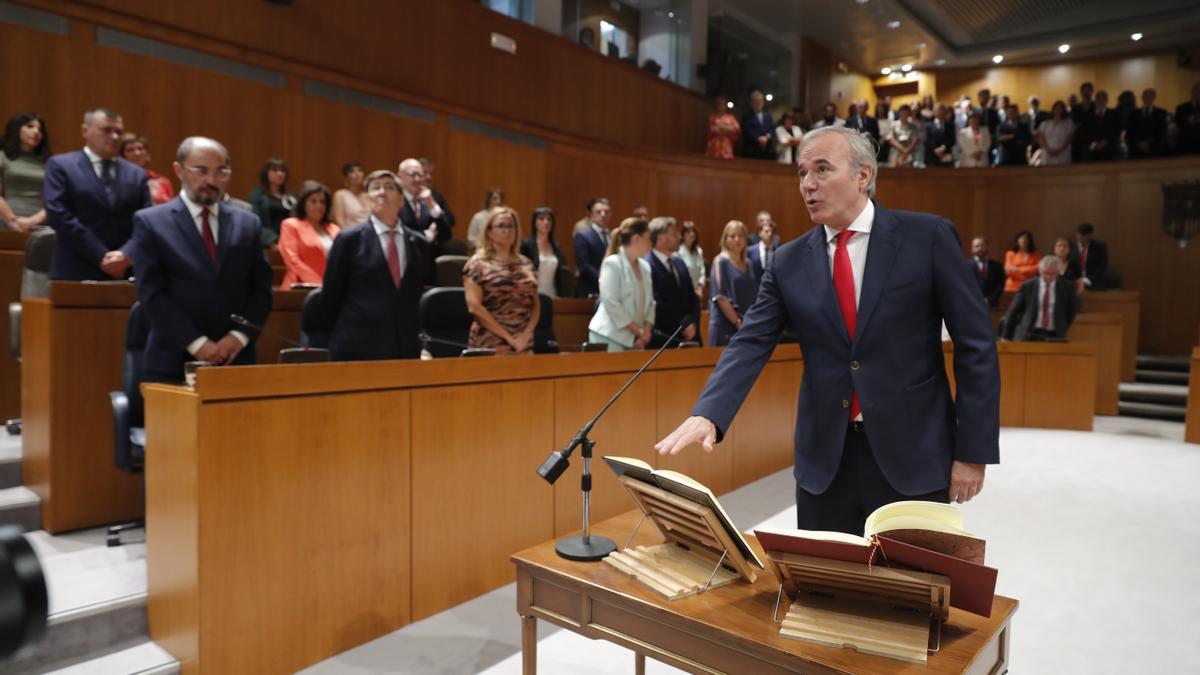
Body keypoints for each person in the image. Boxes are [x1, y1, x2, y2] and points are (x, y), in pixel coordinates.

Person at [655, 126, 999, 535]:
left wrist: (972, 451)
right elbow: (750, 342)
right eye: (802, 173)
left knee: (910, 591)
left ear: (863, 175)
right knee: (825, 590)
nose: (808, 185)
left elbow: (975, 345)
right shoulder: (788, 261)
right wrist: (709, 413)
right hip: (825, 462)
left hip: (913, 453)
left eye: (822, 169)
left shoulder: (928, 237)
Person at [130, 136, 273, 382]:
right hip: (172, 362)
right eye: (201, 171)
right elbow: (152, 294)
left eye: (221, 172)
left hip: (236, 360)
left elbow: (260, 290)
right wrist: (198, 344)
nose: (212, 181)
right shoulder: (151, 222)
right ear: (179, 170)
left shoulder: (247, 222)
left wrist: (238, 337)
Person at [320, 170, 435, 361]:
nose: (382, 192)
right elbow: (331, 296)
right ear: (367, 199)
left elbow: (417, 294)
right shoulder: (349, 239)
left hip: (405, 349)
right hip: (357, 347)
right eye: (375, 188)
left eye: (389, 187)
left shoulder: (419, 243)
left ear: (401, 199)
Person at [43, 107, 150, 281]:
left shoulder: (136, 174)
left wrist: (126, 254)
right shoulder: (61, 166)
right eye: (107, 130)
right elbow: (58, 214)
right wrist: (102, 256)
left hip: (125, 272)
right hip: (75, 269)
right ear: (85, 130)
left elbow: (146, 221)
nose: (115, 137)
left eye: (118, 132)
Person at [463, 206, 540, 354]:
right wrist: (509, 338)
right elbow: (474, 307)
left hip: (524, 343)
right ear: (489, 232)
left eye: (511, 226)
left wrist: (527, 333)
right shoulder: (477, 264)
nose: (507, 230)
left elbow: (535, 304)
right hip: (490, 343)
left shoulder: (526, 263)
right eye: (501, 226)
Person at [587, 217, 655, 351]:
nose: (651, 243)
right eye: (648, 238)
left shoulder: (645, 267)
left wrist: (646, 331)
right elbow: (611, 302)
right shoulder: (612, 263)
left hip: (636, 339)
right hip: (609, 336)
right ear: (636, 238)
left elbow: (651, 303)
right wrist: (639, 331)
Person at [645, 217, 699, 348]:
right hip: (663, 338)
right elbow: (656, 303)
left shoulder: (679, 263)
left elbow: (692, 298)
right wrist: (681, 326)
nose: (679, 237)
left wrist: (693, 323)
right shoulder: (646, 265)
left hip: (690, 336)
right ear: (660, 238)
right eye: (674, 234)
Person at [278, 180, 341, 287]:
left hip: (331, 287)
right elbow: (293, 260)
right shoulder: (291, 225)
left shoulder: (334, 229)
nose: (319, 205)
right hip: (300, 286)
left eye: (322, 202)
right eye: (313, 201)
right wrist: (317, 284)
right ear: (303, 204)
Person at [1000, 256, 1078, 342]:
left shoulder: (1068, 287)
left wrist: (1061, 325)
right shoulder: (1028, 286)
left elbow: (1071, 311)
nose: (1048, 277)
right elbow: (1013, 311)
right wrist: (1005, 336)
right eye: (1045, 273)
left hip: (1055, 335)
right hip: (1029, 333)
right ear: (1040, 271)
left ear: (1058, 272)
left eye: (1052, 274)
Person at [706, 220, 758, 347]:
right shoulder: (720, 262)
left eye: (741, 236)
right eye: (732, 236)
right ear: (725, 240)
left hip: (746, 325)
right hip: (726, 326)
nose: (737, 239)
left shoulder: (749, 264)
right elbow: (720, 297)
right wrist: (738, 323)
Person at [0, 112, 51, 232]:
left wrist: (33, 220)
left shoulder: (49, 162)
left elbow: (55, 199)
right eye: (30, 126)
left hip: (41, 223)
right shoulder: (2, 156)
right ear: (16, 129)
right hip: (8, 222)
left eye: (40, 129)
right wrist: (12, 220)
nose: (36, 132)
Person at [397, 158, 452, 252]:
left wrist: (432, 205)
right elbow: (396, 231)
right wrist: (425, 235)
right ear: (400, 175)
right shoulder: (395, 200)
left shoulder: (428, 199)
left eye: (420, 175)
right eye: (413, 174)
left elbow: (446, 235)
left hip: (427, 260)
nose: (418, 179)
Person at [246, 158, 293, 246]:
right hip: (269, 243)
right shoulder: (257, 195)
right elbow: (255, 222)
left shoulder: (291, 197)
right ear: (266, 174)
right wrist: (273, 240)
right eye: (275, 170)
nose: (280, 174)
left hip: (290, 242)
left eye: (283, 171)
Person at [119, 134, 174, 205]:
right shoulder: (117, 181)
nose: (137, 153)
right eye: (130, 150)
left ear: (147, 155)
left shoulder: (163, 181)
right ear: (122, 157)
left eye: (140, 149)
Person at [572, 197, 612, 297]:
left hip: (610, 290)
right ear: (591, 215)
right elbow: (584, 265)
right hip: (589, 289)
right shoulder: (583, 236)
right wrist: (603, 279)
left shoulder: (613, 236)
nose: (603, 215)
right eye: (599, 212)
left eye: (606, 212)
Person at [1126, 88, 1167, 159]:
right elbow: (1130, 131)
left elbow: (1162, 131)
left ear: (1154, 97)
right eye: (1146, 96)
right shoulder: (1134, 113)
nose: (1148, 98)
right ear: (1142, 97)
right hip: (1136, 150)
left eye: (1150, 96)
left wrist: (1148, 143)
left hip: (1154, 149)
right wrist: (1139, 143)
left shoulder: (1161, 113)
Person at [1081, 91, 1121, 162]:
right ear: (1095, 100)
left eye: (1103, 99)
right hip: (1091, 149)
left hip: (1109, 149)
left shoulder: (1114, 113)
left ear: (1107, 100)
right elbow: (1084, 132)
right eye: (1098, 99)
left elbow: (1116, 130)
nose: (1100, 101)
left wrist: (1105, 142)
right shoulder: (1088, 115)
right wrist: (1094, 144)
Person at [330, 161, 371, 229]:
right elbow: (339, 220)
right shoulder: (341, 195)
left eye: (360, 170)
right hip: (350, 235)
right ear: (346, 177)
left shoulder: (370, 195)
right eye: (352, 171)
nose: (357, 174)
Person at [1035, 101, 1074, 166]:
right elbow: (1041, 138)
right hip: (1047, 152)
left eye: (1060, 108)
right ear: (1053, 109)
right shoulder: (1045, 123)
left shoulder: (1068, 123)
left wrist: (1059, 150)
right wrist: (1048, 149)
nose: (1058, 110)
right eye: (1056, 108)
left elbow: (1069, 138)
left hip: (1062, 152)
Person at [970, 236, 1005, 308]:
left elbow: (1000, 285)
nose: (980, 248)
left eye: (982, 245)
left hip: (992, 305)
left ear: (987, 247)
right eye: (977, 246)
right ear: (972, 249)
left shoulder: (997, 266)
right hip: (971, 303)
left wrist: (989, 299)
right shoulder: (965, 266)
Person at [740, 89, 775, 160]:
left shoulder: (768, 116)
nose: (758, 103)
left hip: (767, 151)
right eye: (756, 101)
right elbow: (747, 130)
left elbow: (772, 129)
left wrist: (767, 138)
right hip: (752, 150)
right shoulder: (747, 116)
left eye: (760, 100)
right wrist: (758, 138)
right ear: (752, 102)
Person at [675, 220, 706, 300]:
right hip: (683, 292)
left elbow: (702, 271)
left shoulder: (699, 251)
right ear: (683, 235)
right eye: (688, 232)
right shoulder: (678, 252)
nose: (692, 234)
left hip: (697, 292)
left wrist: (700, 287)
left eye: (693, 231)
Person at [1073, 222, 1108, 290]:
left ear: (1090, 235)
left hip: (1093, 282)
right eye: (1078, 234)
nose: (1080, 237)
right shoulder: (1071, 247)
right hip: (1075, 282)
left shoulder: (1100, 247)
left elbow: (1102, 267)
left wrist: (1087, 280)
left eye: (1083, 235)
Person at [924, 104, 956, 168]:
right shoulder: (928, 126)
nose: (941, 112)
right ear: (934, 112)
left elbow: (952, 140)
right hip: (932, 157)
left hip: (946, 156)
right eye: (938, 110)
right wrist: (935, 150)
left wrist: (943, 148)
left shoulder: (950, 125)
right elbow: (926, 140)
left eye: (942, 110)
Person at [1175, 81, 1200, 155]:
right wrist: (1187, 121)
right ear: (1191, 92)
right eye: (1197, 90)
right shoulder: (1181, 107)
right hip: (1185, 142)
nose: (1198, 93)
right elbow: (1178, 122)